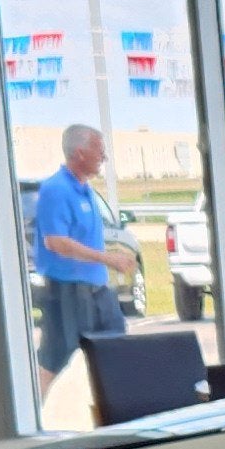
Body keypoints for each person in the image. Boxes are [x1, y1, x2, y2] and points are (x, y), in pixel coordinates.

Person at [27, 126, 136, 379]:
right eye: (99, 151)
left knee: (116, 352)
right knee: (66, 364)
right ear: (80, 153)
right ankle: (47, 414)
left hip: (98, 291)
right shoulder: (57, 189)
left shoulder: (85, 189)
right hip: (69, 292)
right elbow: (56, 242)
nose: (104, 158)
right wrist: (107, 258)